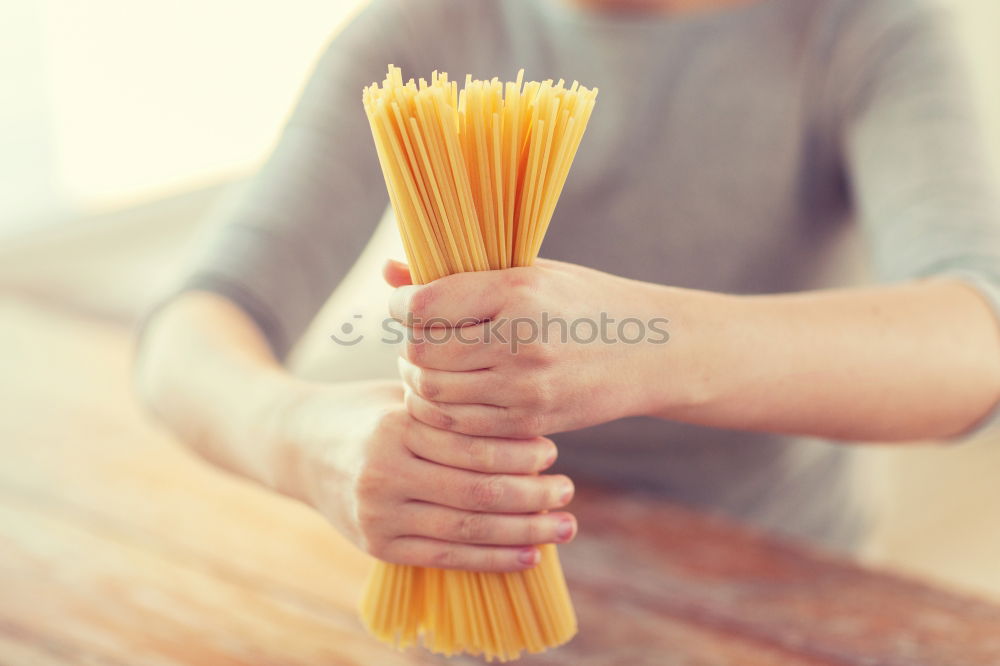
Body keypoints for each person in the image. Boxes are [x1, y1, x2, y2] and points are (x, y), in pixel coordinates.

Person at [136, 0, 1000, 573]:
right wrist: (303, 437)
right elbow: (186, 334)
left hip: (772, 583)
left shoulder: (861, 28)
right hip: (468, 592)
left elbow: (975, 339)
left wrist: (654, 345)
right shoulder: (422, 31)